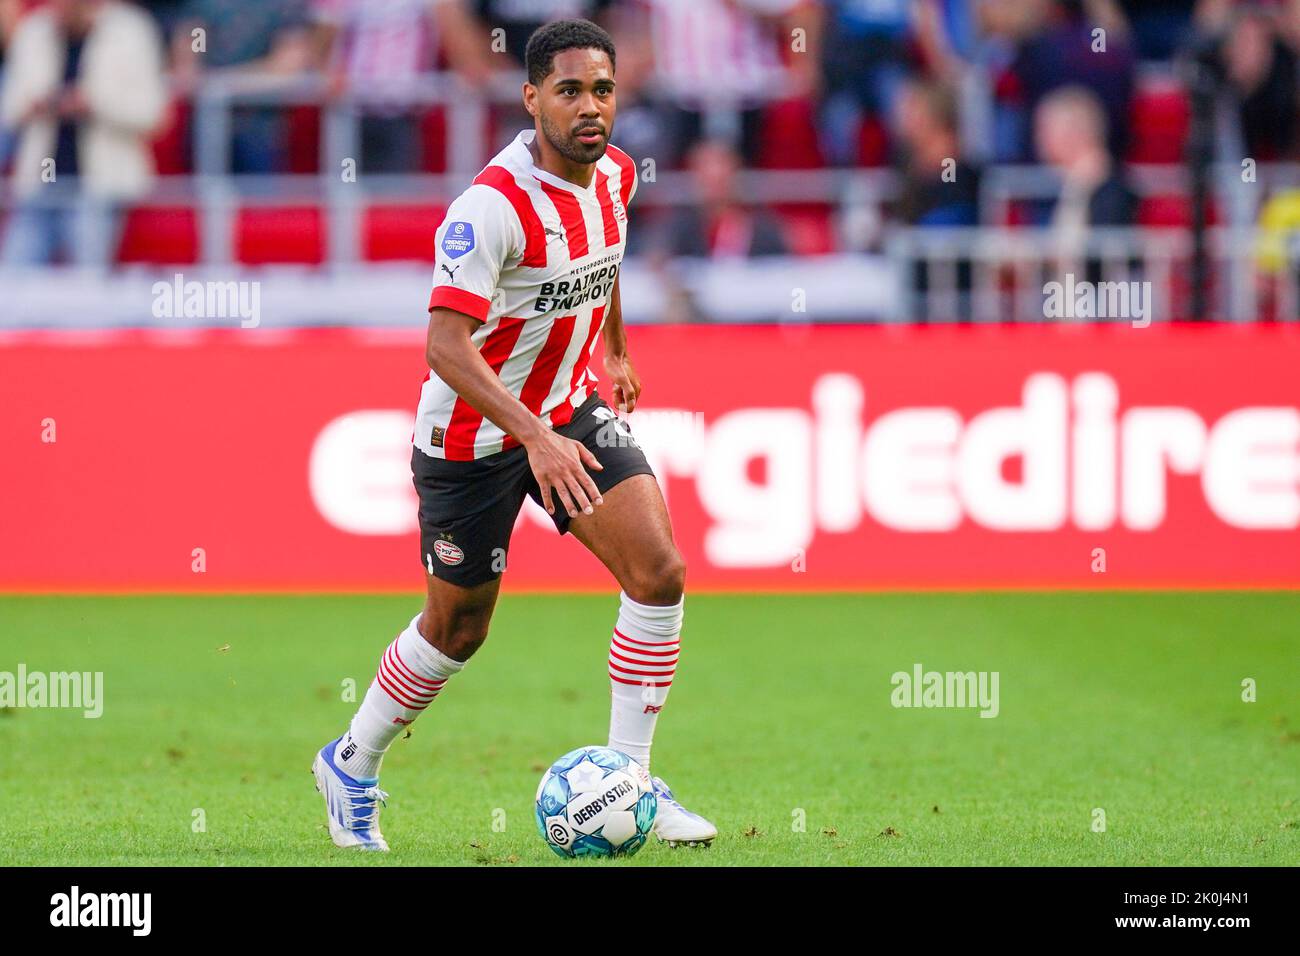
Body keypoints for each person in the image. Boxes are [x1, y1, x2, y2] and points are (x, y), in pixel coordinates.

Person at [312, 18, 716, 852]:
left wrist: (617, 349)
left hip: (564, 406)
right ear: (532, 99)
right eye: (569, 91)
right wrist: (532, 436)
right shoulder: (489, 210)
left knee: (659, 571)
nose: (590, 107)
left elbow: (602, 268)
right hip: (473, 435)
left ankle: (631, 778)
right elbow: (444, 347)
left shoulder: (616, 176)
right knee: (459, 628)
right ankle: (351, 763)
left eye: (602, 89)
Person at [1, 0, 166, 269]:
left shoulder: (130, 31)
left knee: (86, 285)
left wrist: (93, 104)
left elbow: (153, 114)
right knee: (11, 281)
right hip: (39, 181)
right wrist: (35, 106)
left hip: (97, 185)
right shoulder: (36, 30)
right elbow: (9, 109)